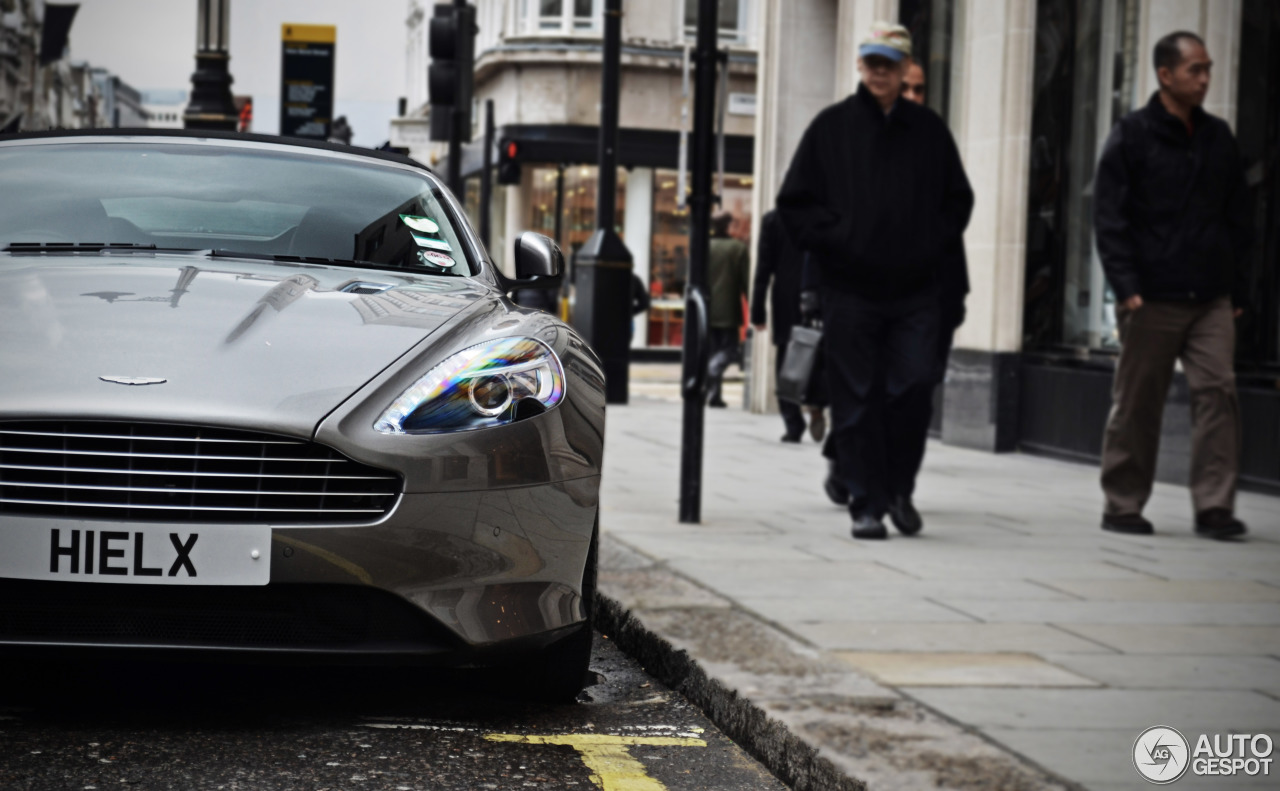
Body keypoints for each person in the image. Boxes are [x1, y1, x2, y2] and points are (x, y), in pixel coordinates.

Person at [777, 22, 973, 540]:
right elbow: (795, 204)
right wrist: (840, 238)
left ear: (906, 68)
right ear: (861, 66)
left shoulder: (929, 131)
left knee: (912, 389)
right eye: (872, 62)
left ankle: (900, 489)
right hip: (852, 290)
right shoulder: (831, 128)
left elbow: (959, 201)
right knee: (857, 398)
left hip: (916, 292)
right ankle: (865, 502)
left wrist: (928, 241)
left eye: (890, 64)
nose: (880, 72)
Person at [1094, 31, 1253, 540]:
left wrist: (1239, 290)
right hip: (1151, 296)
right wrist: (1126, 286)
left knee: (1218, 393)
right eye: (1195, 70)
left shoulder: (1218, 137)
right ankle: (1122, 504)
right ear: (1166, 75)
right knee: (1139, 401)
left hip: (1211, 298)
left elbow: (1240, 217)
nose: (1205, 78)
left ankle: (1214, 507)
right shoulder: (1132, 134)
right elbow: (1109, 217)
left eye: (1208, 68)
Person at [752, 209, 808, 442]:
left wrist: (758, 311)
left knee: (787, 355)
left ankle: (793, 421)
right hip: (818, 291)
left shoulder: (774, 220)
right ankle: (816, 403)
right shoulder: (822, 214)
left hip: (785, 295)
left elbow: (764, 267)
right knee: (819, 350)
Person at [706, 210, 750, 408]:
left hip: (705, 311)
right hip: (728, 311)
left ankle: (714, 396)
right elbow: (746, 282)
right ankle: (712, 371)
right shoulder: (738, 249)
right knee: (730, 351)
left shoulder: (704, 246)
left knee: (713, 351)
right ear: (728, 226)